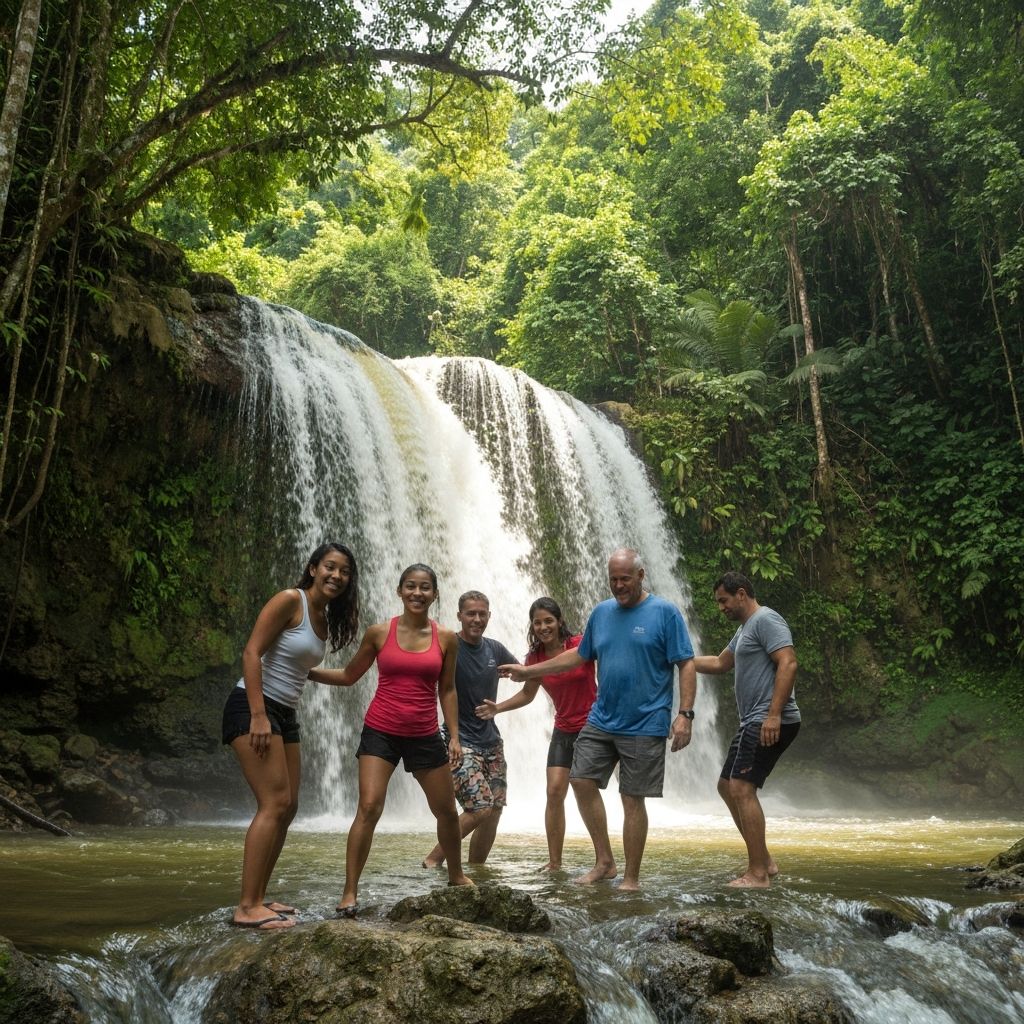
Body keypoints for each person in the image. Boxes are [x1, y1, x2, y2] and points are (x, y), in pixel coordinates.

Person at [500, 549, 696, 890]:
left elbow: (686, 663)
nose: (619, 586)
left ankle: (631, 878)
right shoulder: (602, 613)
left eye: (625, 579)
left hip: (646, 721)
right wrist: (528, 670)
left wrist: (685, 715)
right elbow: (577, 656)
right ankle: (604, 861)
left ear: (641, 575)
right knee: (580, 780)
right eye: (613, 580)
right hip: (602, 718)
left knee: (632, 797)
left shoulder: (665, 613)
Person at [308, 563, 471, 914]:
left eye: (425, 587)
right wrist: (306, 672)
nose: (417, 593)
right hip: (381, 730)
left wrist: (454, 736)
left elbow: (448, 689)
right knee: (368, 807)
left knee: (445, 810)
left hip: (425, 734)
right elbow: (351, 675)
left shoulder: (446, 639)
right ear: (399, 591)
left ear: (434, 594)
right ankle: (349, 891)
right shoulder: (379, 633)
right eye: (410, 586)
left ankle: (456, 874)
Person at [221, 541, 361, 929]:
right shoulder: (290, 600)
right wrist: (258, 714)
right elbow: (251, 653)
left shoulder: (324, 616)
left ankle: (260, 896)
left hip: (286, 711)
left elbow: (298, 668)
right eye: (330, 567)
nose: (336, 576)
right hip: (254, 705)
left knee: (290, 804)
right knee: (274, 802)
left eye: (344, 571)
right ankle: (246, 907)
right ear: (313, 568)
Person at [693, 571, 800, 888]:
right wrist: (678, 659)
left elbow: (789, 663)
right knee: (727, 786)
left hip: (767, 717)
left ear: (741, 594)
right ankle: (764, 860)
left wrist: (773, 714)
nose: (721, 608)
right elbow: (719, 664)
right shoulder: (745, 629)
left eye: (723, 601)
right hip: (752, 719)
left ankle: (757, 874)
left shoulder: (766, 619)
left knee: (741, 788)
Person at [476, 596, 596, 872]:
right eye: (538, 622)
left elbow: (569, 663)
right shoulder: (534, 657)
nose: (543, 627)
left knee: (584, 789)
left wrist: (528, 670)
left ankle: (604, 859)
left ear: (560, 621)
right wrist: (499, 708)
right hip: (564, 727)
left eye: (549, 621)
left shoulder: (579, 644)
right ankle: (555, 862)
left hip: (592, 727)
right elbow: (528, 694)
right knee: (554, 792)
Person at [421, 590, 517, 868]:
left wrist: (501, 707)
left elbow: (527, 677)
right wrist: (452, 738)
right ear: (459, 615)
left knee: (495, 810)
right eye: (470, 613)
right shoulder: (449, 645)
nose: (477, 619)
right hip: (459, 741)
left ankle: (477, 868)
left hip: (491, 743)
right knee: (480, 807)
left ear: (489, 615)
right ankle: (433, 859)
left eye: (482, 614)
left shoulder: (495, 649)